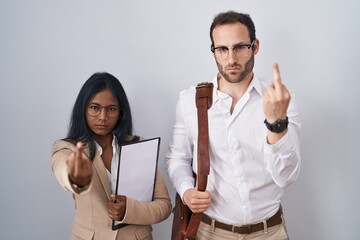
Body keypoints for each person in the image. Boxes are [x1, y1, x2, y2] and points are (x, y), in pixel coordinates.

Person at [166, 11, 301, 240]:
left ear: (255, 46)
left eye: (239, 47)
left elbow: (286, 177)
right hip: (209, 232)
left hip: (269, 232)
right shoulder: (189, 101)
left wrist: (276, 124)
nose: (231, 59)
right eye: (222, 49)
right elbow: (177, 158)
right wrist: (186, 190)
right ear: (213, 51)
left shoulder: (280, 100)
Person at [52, 72, 171, 240]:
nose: (102, 117)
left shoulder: (138, 146)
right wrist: (75, 178)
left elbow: (164, 206)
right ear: (83, 109)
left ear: (121, 112)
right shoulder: (67, 148)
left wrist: (129, 210)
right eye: (95, 108)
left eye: (111, 109)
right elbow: (62, 168)